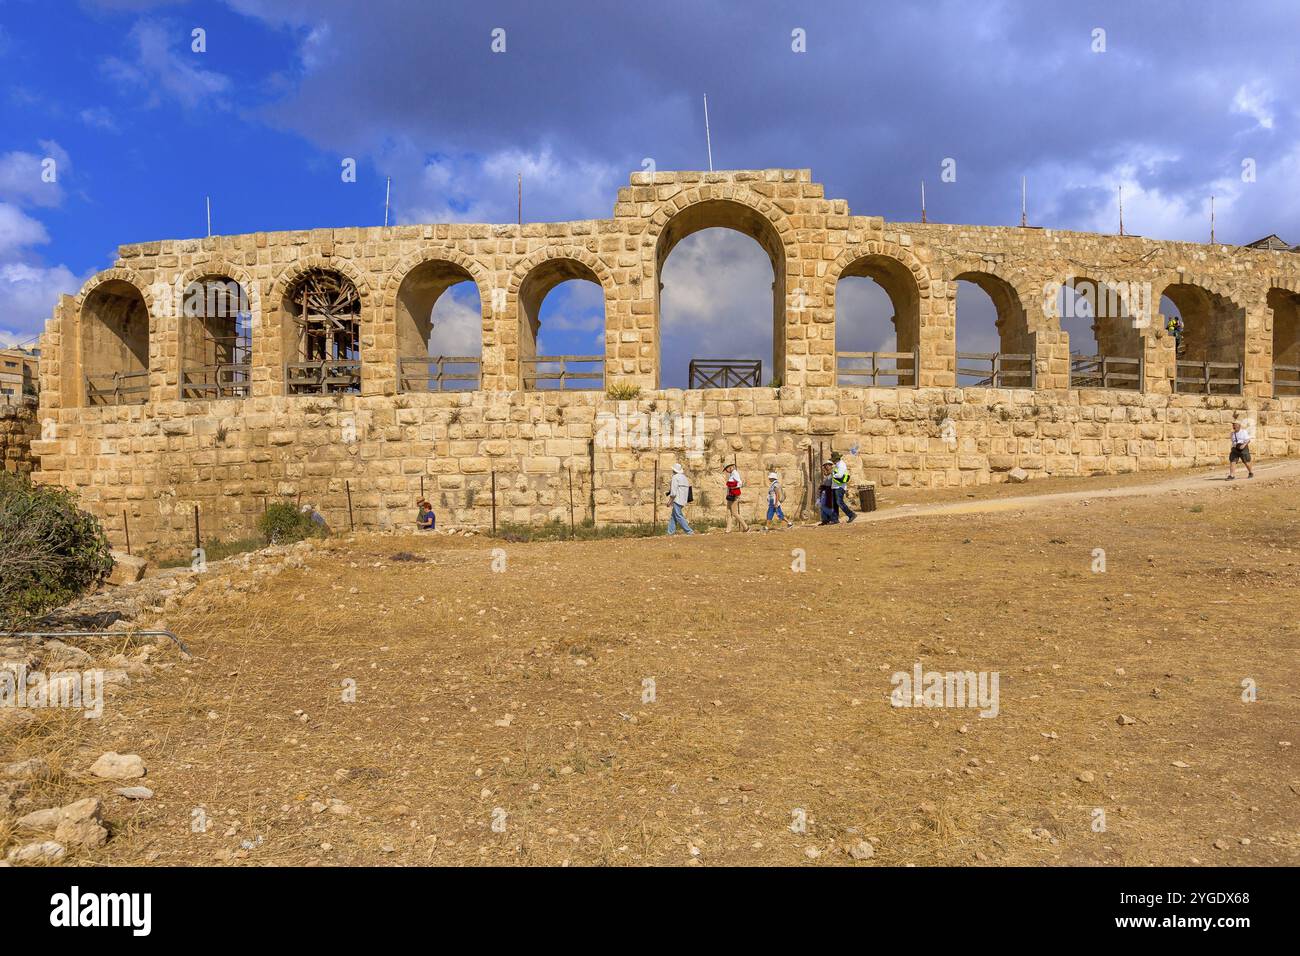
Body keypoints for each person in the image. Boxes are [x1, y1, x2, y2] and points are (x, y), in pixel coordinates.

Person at [665, 463, 694, 535]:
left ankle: (689, 531)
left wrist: (670, 501)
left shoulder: (675, 477)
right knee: (673, 516)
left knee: (678, 515)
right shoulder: (684, 477)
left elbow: (674, 492)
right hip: (683, 500)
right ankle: (670, 532)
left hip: (677, 500)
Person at [831, 452, 856, 523]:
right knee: (835, 503)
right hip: (836, 486)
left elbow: (839, 475)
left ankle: (851, 514)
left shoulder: (841, 465)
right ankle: (835, 519)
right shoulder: (837, 465)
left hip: (839, 487)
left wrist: (832, 474)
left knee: (839, 502)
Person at [724, 463, 749, 532]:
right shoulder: (732, 474)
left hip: (734, 495)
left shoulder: (735, 473)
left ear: (730, 467)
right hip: (730, 495)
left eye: (726, 469)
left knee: (734, 512)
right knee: (728, 511)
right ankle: (728, 529)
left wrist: (733, 487)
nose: (726, 471)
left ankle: (746, 527)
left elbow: (740, 483)